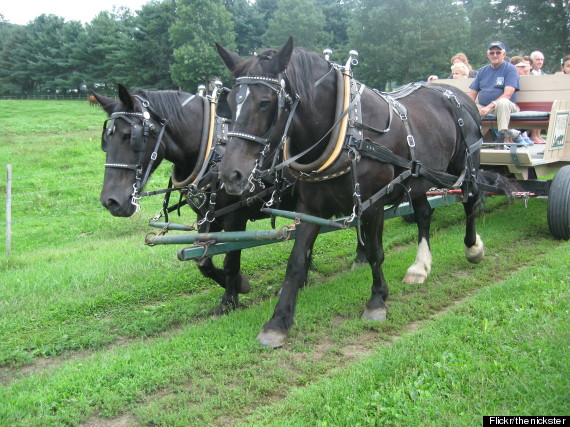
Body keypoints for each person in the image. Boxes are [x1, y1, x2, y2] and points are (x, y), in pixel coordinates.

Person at [469, 41, 531, 146]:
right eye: (492, 53)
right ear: (488, 55)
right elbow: (472, 94)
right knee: (467, 107)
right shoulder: (482, 71)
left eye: (498, 52)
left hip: (506, 107)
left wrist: (488, 107)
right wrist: (468, 107)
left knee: (503, 102)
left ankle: (503, 131)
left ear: (504, 54)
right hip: (483, 107)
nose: (495, 55)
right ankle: (468, 140)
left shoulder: (510, 69)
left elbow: (508, 94)